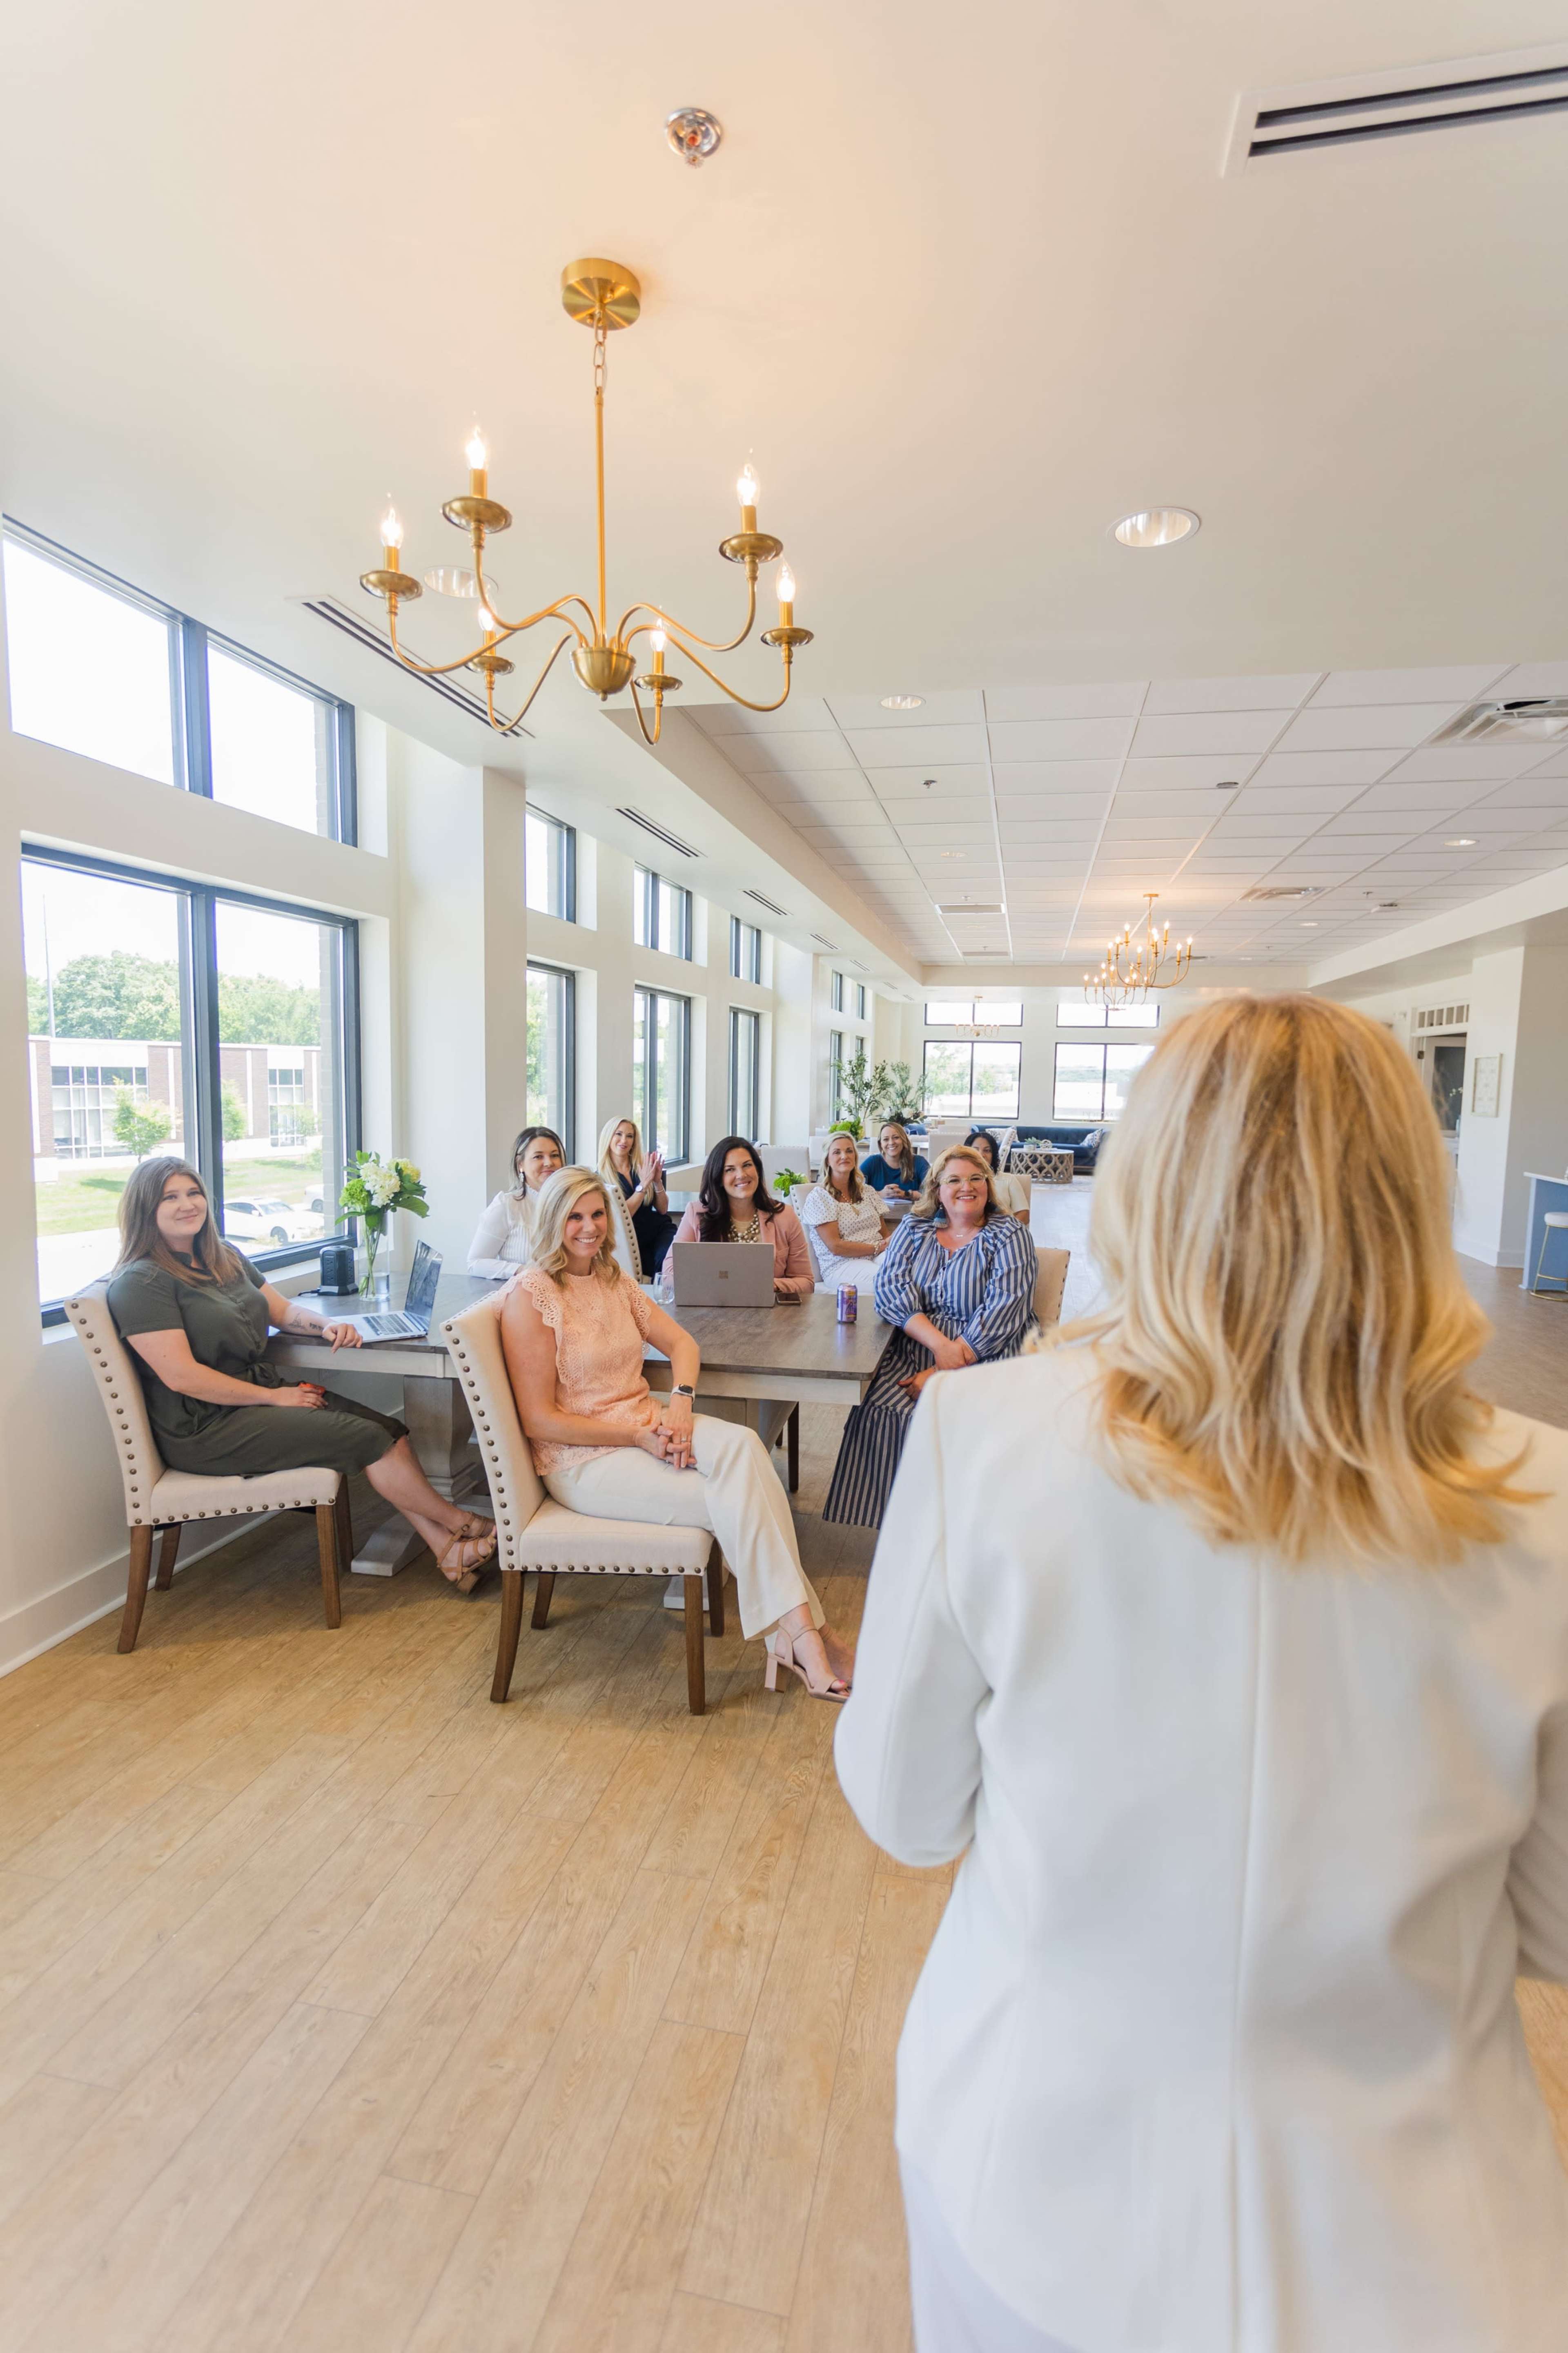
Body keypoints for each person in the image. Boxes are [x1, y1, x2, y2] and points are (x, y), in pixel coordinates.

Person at [835, 995, 1568, 2353]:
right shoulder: (1547, 1501)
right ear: (1415, 1193)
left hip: (1034, 2190)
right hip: (1429, 2248)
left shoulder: (988, 1443)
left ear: (1144, 1185)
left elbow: (907, 1809)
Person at [500, 1168, 852, 1696]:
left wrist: (681, 1404)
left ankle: (800, 1634)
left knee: (746, 1447)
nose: (590, 1227)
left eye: (597, 1213)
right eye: (575, 1216)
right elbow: (538, 1420)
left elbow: (684, 1346)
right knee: (735, 1494)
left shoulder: (614, 1278)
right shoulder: (531, 1297)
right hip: (583, 1460)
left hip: (649, 1423)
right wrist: (639, 1437)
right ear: (552, 1220)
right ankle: (806, 1635)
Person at [107, 1157, 496, 1589]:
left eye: (194, 1192)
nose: (188, 1204)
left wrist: (325, 1325)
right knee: (368, 1439)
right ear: (146, 1209)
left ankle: (447, 1551)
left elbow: (282, 1311)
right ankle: (462, 1522)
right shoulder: (142, 1283)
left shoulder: (224, 1257)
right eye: (171, 1197)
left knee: (388, 1429)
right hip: (204, 1426)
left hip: (255, 1396)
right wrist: (277, 1398)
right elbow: (182, 1376)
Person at [822, 1144, 1035, 1527]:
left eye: (976, 1178)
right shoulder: (915, 1227)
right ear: (937, 1189)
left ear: (989, 1186)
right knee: (881, 1409)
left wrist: (946, 1370)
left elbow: (1007, 1306)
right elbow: (889, 1289)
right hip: (919, 1343)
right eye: (954, 1179)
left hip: (988, 1353)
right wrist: (939, 1349)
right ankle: (900, 1529)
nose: (966, 1187)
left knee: (961, 1419)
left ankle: (968, 1528)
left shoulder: (1009, 1234)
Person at [668, 1137, 814, 1299]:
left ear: (757, 1170)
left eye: (747, 1165)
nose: (742, 1175)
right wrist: (713, 1285)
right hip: (710, 1311)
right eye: (730, 1170)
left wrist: (768, 1285)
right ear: (719, 1179)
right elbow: (668, 1276)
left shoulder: (785, 1216)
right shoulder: (696, 1214)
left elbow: (806, 1283)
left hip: (769, 1316)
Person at [466, 1126, 566, 1279]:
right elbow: (475, 1263)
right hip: (521, 1296)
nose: (549, 1163)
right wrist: (524, 1271)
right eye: (538, 1157)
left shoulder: (573, 1204)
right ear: (521, 1165)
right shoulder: (506, 1205)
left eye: (555, 1156)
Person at [799, 1131, 889, 1291]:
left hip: (877, 1256)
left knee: (914, 1272)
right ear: (828, 1160)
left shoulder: (868, 1191)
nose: (844, 1156)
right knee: (888, 1281)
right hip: (842, 1265)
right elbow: (836, 1246)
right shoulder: (820, 1197)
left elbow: (884, 1234)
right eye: (837, 1152)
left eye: (849, 1151)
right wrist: (877, 1248)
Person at [597, 1113, 675, 1276]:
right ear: (608, 1137)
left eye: (629, 1136)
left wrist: (657, 1182)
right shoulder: (601, 1178)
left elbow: (663, 1209)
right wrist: (644, 1184)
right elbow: (622, 1217)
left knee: (672, 1262)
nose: (624, 1141)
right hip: (632, 1241)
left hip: (659, 1230)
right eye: (618, 1134)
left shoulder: (641, 1168)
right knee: (656, 1269)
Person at [964, 1126, 1031, 1222]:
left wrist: (1005, 1233)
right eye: (975, 1150)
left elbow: (1024, 1215)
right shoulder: (960, 1181)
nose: (981, 1154)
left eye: (987, 1151)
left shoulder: (1009, 1180)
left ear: (994, 1155)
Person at [860, 1120, 929, 1202]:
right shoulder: (872, 1162)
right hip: (876, 1213)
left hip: (912, 1212)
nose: (891, 1143)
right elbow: (854, 1189)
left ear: (904, 1140)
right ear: (880, 1144)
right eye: (886, 1139)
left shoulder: (919, 1162)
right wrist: (880, 1194)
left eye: (896, 1138)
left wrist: (906, 1195)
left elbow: (933, 1192)